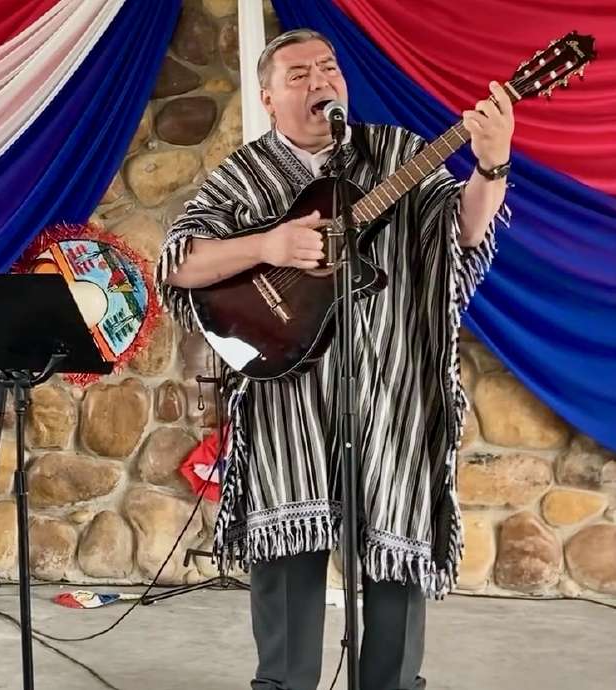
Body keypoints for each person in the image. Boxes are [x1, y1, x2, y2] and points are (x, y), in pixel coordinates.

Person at [158, 29, 512, 690]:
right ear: (267, 97)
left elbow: (460, 234)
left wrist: (491, 166)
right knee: (288, 574)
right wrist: (268, 246)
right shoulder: (246, 175)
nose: (319, 80)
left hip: (389, 396)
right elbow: (179, 262)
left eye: (328, 68)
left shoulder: (398, 153)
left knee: (394, 569)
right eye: (298, 74)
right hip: (286, 406)